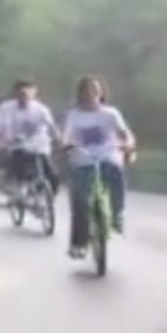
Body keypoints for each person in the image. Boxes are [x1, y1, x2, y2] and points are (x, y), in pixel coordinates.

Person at [60, 75, 135, 255]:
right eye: (86, 90)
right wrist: (65, 145)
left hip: (108, 154)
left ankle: (117, 214)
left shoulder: (111, 113)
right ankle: (79, 244)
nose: (90, 93)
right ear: (80, 93)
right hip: (82, 158)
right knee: (80, 200)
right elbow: (65, 136)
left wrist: (128, 144)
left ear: (101, 92)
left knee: (116, 173)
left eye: (94, 89)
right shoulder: (73, 115)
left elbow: (125, 133)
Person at [0, 79, 60, 199]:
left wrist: (58, 139)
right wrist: (8, 138)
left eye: (27, 93)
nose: (24, 96)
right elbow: (5, 126)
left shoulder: (41, 109)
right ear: (15, 94)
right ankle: (14, 186)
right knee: (17, 168)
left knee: (53, 174)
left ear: (34, 93)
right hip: (18, 146)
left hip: (39, 147)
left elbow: (52, 126)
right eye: (21, 93)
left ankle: (48, 198)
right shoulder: (7, 108)